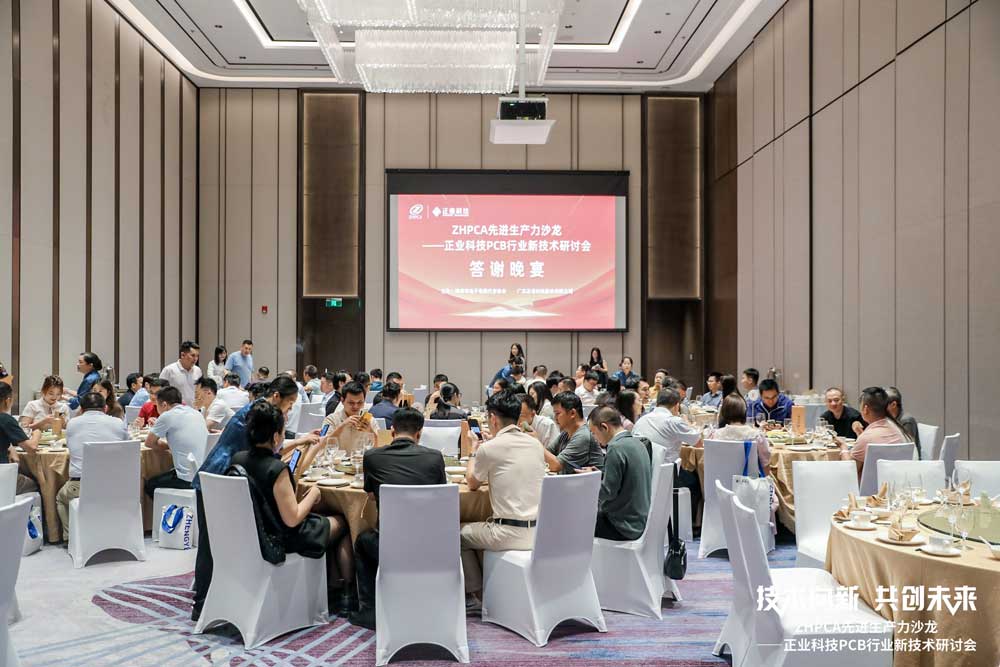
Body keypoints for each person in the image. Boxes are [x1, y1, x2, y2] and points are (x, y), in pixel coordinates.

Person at [192, 376, 321, 620]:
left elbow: (268, 449)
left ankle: (213, 598)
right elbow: (266, 450)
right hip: (219, 476)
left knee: (219, 543)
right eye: (289, 403)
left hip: (221, 476)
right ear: (276, 397)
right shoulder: (255, 416)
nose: (289, 410)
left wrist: (300, 441)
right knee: (211, 543)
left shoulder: (257, 411)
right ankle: (201, 602)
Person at [231, 402, 353, 617]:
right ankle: (347, 593)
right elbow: (293, 518)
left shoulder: (238, 459)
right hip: (280, 539)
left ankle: (331, 585)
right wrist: (313, 494)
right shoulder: (276, 469)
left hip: (253, 533)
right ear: (276, 436)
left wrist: (311, 447)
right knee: (343, 521)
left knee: (322, 518)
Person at [349, 407, 447, 629]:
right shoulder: (434, 457)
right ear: (419, 433)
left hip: (388, 546)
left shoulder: (372, 457)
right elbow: (440, 495)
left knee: (363, 541)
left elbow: (371, 495)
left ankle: (370, 611)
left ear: (392, 431)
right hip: (430, 546)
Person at [461, 390, 546, 610]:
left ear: (493, 418)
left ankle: (475, 595)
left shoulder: (488, 448)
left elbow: (472, 483)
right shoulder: (535, 444)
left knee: (457, 534)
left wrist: (474, 451)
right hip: (540, 533)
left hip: (507, 533)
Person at [57, 392, 129, 541]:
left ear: (81, 409)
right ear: (105, 408)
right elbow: (127, 445)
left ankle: (71, 538)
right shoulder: (118, 423)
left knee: (61, 498)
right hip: (116, 487)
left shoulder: (72, 424)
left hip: (81, 486)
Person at [586, 406, 651, 541]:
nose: (595, 439)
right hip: (638, 521)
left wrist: (587, 483)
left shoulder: (616, 448)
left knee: (572, 520)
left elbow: (608, 493)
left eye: (594, 433)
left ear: (604, 427)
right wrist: (601, 475)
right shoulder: (638, 443)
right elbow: (627, 478)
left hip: (621, 525)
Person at [142, 386, 209, 499]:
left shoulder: (167, 415)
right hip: (205, 475)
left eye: (157, 406)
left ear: (164, 405)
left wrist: (168, 446)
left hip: (187, 479)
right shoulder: (196, 413)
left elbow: (149, 443)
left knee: (150, 485)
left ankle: (170, 509)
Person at [840, 387, 906, 477]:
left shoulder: (867, 437)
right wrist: (860, 434)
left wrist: (843, 447)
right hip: (895, 482)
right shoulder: (897, 428)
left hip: (869, 486)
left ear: (865, 409)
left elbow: (849, 472)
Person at [632, 387, 703, 462]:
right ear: (677, 406)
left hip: (641, 466)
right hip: (665, 467)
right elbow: (698, 443)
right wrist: (687, 423)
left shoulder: (642, 420)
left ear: (656, 404)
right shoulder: (674, 421)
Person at [545, 391, 605, 473]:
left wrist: (535, 442)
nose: (555, 418)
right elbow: (546, 455)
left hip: (588, 481)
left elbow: (556, 466)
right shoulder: (566, 432)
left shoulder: (583, 435)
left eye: (557, 413)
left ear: (572, 413)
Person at [708, 394, 771, 472]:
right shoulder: (756, 436)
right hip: (749, 479)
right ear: (745, 411)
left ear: (723, 412)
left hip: (719, 479)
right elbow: (765, 464)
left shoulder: (715, 435)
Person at [0, 382, 41, 495]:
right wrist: (37, 433)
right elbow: (31, 448)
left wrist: (10, 447)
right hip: (2, 478)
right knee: (39, 484)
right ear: (7, 400)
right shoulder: (5, 419)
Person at [320, 382, 377, 454]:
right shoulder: (331, 419)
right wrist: (342, 426)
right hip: (338, 460)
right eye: (351, 403)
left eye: (360, 402)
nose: (356, 406)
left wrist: (370, 431)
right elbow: (321, 445)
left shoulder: (370, 420)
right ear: (342, 401)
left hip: (361, 460)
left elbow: (379, 448)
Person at [157, 341, 203, 407]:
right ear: (182, 355)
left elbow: (200, 391)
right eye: (193, 355)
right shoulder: (169, 370)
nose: (195, 359)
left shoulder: (198, 370)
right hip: (175, 410)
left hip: (194, 409)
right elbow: (160, 392)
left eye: (197, 356)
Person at [885, 387, 920, 457]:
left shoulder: (906, 420)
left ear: (893, 404)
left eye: (884, 404)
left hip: (908, 460)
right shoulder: (890, 419)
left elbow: (907, 448)